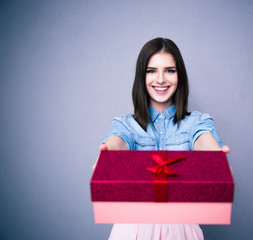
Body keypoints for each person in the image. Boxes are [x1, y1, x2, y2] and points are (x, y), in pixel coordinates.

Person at [97, 37, 230, 240]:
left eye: (169, 70)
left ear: (180, 76)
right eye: (151, 71)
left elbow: (203, 139)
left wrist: (215, 156)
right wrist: (108, 156)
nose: (160, 79)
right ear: (141, 77)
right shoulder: (125, 125)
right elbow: (117, 142)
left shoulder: (197, 122)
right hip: (132, 230)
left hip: (182, 230)